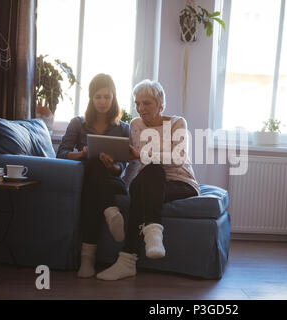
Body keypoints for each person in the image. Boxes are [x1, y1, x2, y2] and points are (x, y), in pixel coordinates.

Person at [96, 79, 200, 281]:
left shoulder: (178, 123)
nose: (140, 108)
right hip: (149, 180)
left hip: (181, 182)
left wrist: (142, 155)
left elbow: (178, 158)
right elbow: (135, 163)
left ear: (160, 105)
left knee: (152, 170)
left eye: (146, 103)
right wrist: (126, 187)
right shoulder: (136, 124)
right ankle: (151, 235)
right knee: (146, 178)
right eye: (137, 103)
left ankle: (128, 259)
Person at [56, 73, 129, 278]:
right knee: (92, 166)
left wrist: (112, 165)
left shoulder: (123, 128)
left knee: (95, 172)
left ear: (113, 97)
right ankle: (110, 210)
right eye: (98, 96)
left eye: (107, 96)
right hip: (85, 180)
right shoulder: (78, 124)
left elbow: (122, 167)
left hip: (112, 181)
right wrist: (83, 154)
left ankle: (87, 260)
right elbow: (60, 154)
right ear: (91, 98)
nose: (103, 101)